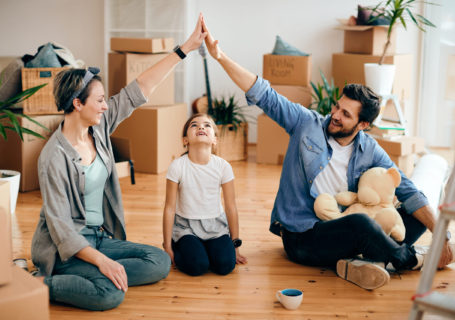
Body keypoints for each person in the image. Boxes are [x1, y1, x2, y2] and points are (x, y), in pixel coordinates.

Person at [201, 16, 454, 290]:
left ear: (363, 125)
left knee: (411, 215)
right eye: (337, 107)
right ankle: (407, 261)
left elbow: (408, 190)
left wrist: (443, 237)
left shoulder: (369, 148)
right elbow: (263, 93)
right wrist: (219, 56)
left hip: (342, 227)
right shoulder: (306, 124)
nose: (334, 115)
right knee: (360, 224)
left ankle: (363, 263)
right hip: (304, 238)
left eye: (346, 115)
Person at [30, 14, 207, 311]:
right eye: (99, 100)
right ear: (77, 104)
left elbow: (139, 89)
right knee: (110, 296)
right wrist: (103, 263)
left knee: (159, 261)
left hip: (99, 237)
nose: (105, 105)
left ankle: (98, 276)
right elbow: (61, 229)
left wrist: (185, 48)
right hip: (66, 250)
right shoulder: (53, 158)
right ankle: (39, 283)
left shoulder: (97, 127)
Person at [162, 113, 247, 276]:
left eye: (207, 125)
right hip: (186, 227)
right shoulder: (177, 166)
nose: (201, 127)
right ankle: (179, 244)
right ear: (185, 140)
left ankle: (206, 249)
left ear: (215, 139)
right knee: (197, 266)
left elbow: (231, 206)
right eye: (194, 125)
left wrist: (235, 245)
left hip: (215, 227)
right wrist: (167, 247)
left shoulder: (223, 166)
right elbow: (169, 208)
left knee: (225, 266)